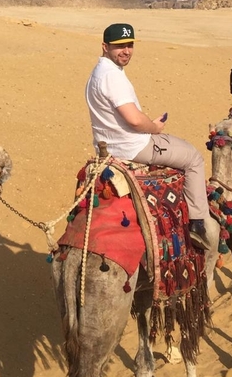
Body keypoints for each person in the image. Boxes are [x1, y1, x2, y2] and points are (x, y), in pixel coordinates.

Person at [85, 23, 213, 249]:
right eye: (119, 46)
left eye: (129, 45)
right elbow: (134, 120)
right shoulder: (112, 76)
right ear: (105, 46)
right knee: (194, 158)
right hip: (133, 146)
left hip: (109, 147)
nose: (126, 51)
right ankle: (198, 223)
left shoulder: (98, 73)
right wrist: (154, 127)